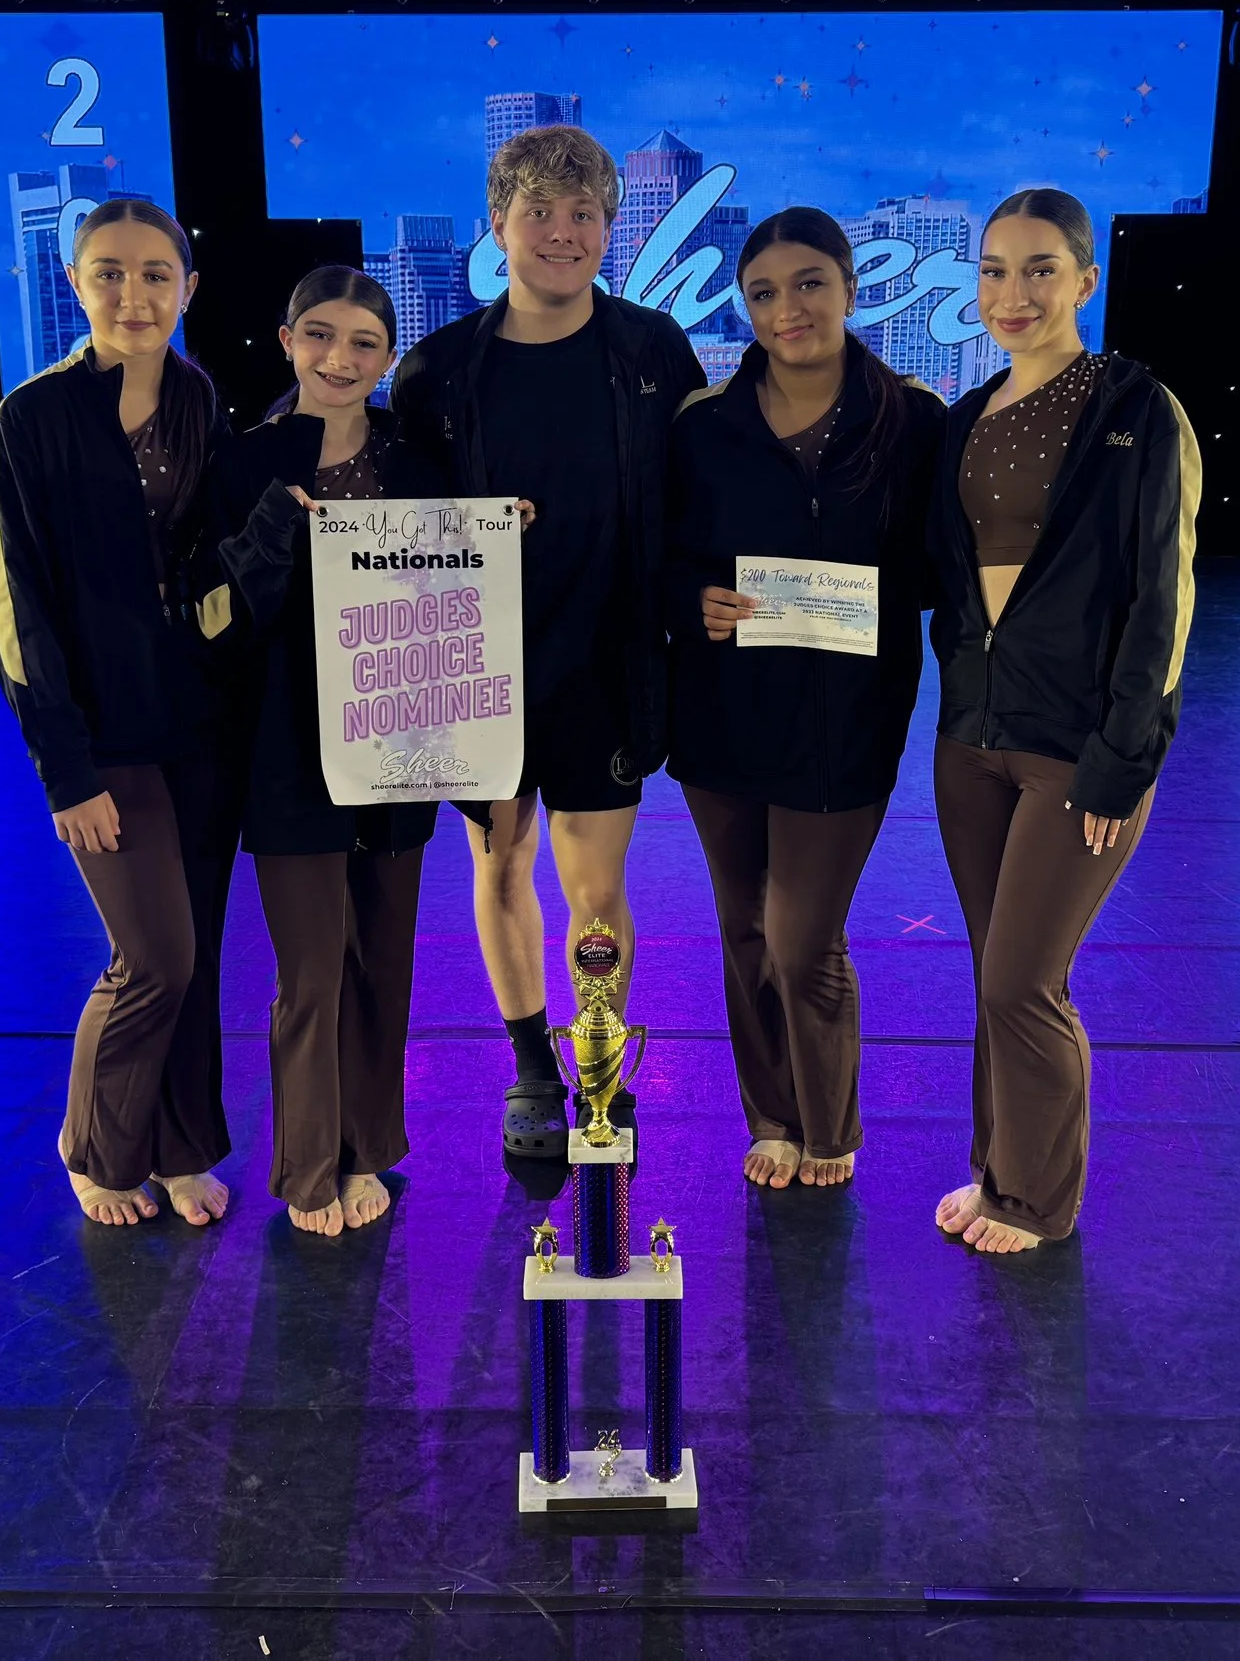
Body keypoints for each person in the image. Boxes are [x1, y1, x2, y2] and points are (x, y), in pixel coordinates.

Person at [392, 126, 707, 1158]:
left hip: (607, 662)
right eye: (539, 212)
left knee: (597, 890)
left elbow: (715, 475)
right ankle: (531, 1065)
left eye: (583, 214)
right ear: (499, 223)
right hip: (480, 667)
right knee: (497, 863)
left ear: (610, 226)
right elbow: (396, 532)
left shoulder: (654, 350)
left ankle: (596, 1063)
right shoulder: (437, 370)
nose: (562, 233)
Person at [925, 188, 1201, 1254]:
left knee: (1021, 980)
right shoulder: (963, 418)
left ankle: (1037, 1203)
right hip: (971, 741)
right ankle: (996, 1170)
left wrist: (1122, 760)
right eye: (994, 270)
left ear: (1084, 280)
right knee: (991, 973)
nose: (1013, 292)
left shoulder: (1136, 406)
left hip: (1076, 751)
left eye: (1039, 269)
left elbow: (1161, 600)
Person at [666, 208, 945, 1191]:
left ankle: (829, 1126)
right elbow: (660, 559)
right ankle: (773, 1118)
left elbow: (942, 568)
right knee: (744, 929)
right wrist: (687, 599)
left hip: (847, 722)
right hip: (722, 717)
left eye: (808, 283)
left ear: (849, 285)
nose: (788, 308)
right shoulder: (702, 427)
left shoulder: (914, 421)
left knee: (801, 934)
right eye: (765, 292)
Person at [0, 197, 240, 1229]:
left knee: (199, 954)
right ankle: (94, 1143)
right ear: (75, 283)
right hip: (102, 743)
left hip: (196, 732)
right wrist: (66, 770)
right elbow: (17, 608)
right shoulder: (30, 420)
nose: (134, 295)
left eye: (155, 275)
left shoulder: (197, 399)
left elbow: (215, 566)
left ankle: (180, 1148)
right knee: (152, 959)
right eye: (110, 273)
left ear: (186, 288)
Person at [199, 268, 443, 1237]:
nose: (339, 359)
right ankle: (308, 1166)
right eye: (319, 336)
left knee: (383, 958)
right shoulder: (240, 463)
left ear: (387, 360)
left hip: (400, 737)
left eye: (363, 344)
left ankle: (368, 1147)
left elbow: (448, 597)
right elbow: (217, 627)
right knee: (311, 971)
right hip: (288, 749)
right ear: (286, 341)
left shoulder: (417, 461)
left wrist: (495, 541)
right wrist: (273, 530)